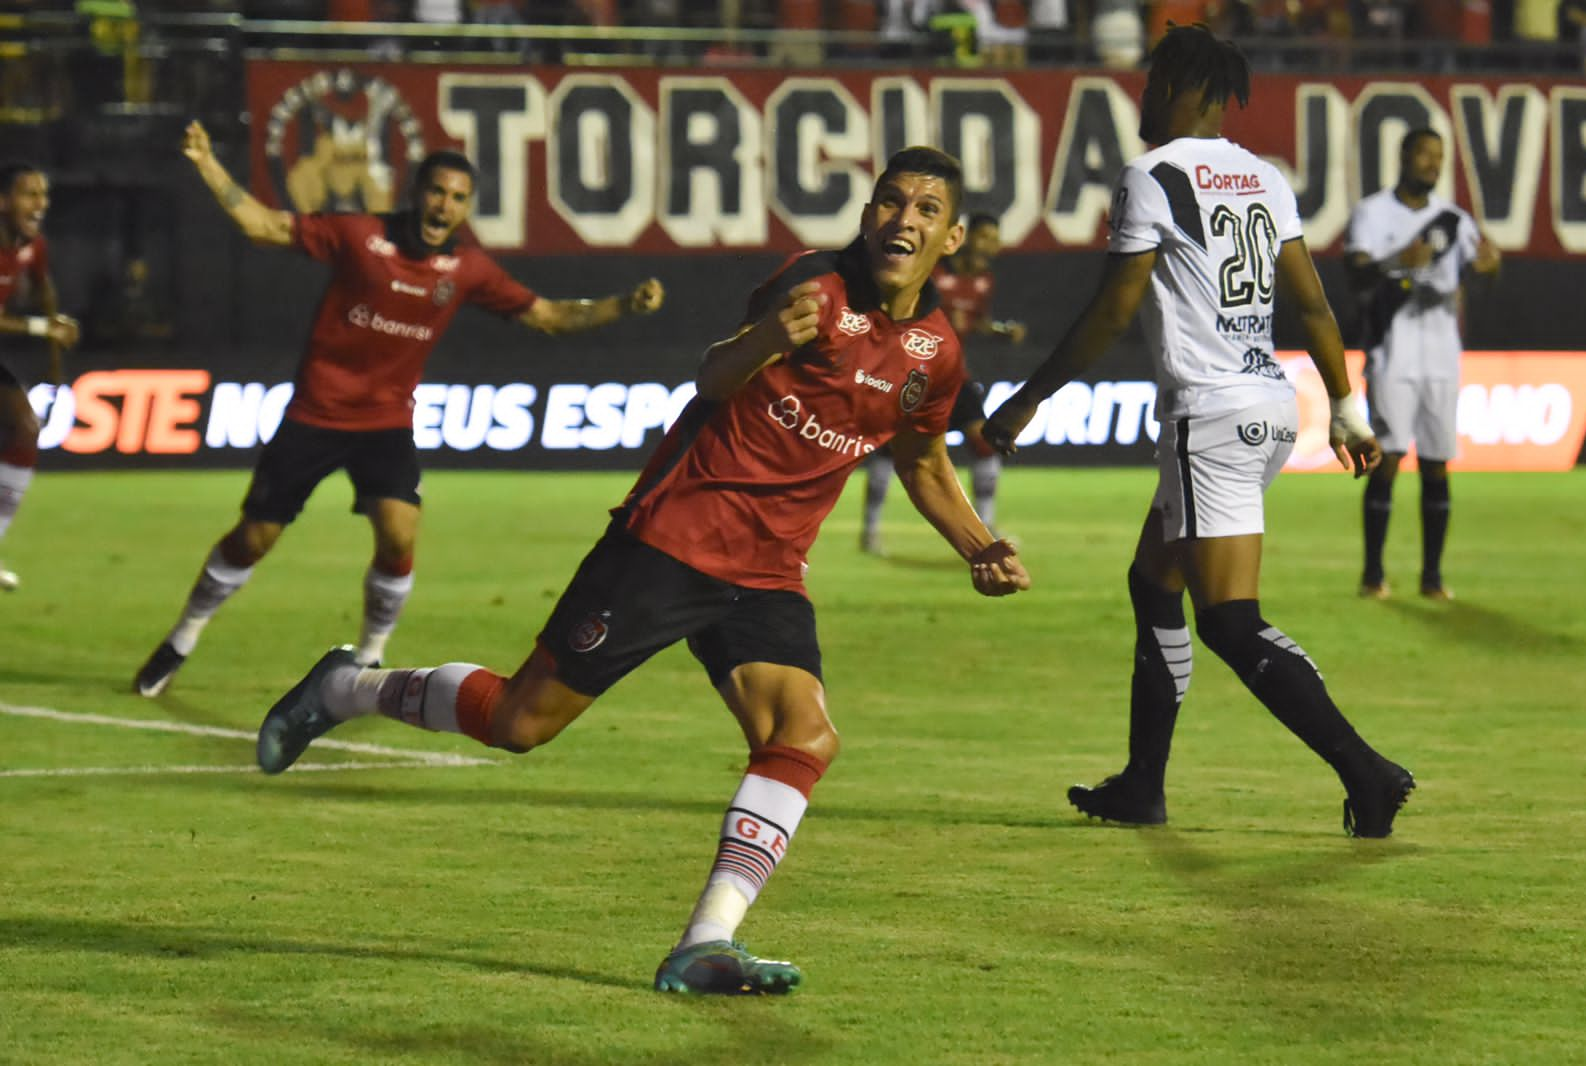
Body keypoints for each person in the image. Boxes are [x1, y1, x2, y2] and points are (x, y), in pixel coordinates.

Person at [253, 146, 1031, 994]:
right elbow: (713, 374)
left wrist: (977, 544)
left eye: (924, 210)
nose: (902, 221)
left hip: (769, 570)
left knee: (803, 736)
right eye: (889, 202)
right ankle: (344, 690)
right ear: (866, 213)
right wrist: (768, 337)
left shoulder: (936, 352)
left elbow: (921, 463)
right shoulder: (814, 286)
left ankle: (706, 942)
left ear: (951, 237)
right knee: (520, 723)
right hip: (673, 542)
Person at [984, 23, 1414, 838]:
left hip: (1209, 415)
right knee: (1155, 582)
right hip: (1269, 405)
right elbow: (1314, 304)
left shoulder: (1151, 175)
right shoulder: (1264, 178)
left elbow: (1114, 308)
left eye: (1152, 82)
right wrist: (1348, 407)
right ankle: (1143, 786)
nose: (1142, 96)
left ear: (1186, 87)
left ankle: (1368, 771)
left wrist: (1029, 397)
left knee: (1229, 620)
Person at [133, 121, 664, 697]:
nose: (445, 205)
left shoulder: (467, 269)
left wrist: (623, 305)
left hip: (384, 423)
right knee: (255, 538)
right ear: (417, 193)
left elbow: (549, 316)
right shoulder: (360, 236)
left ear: (466, 208)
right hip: (315, 414)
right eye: (437, 191)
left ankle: (367, 658)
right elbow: (261, 225)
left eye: (458, 198)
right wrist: (208, 162)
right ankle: (182, 637)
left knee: (399, 532)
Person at [1345, 127, 1500, 602]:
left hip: (1440, 357)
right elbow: (1355, 274)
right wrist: (1398, 260)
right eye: (1425, 154)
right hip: (1393, 352)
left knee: (1436, 463)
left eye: (1439, 156)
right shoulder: (1373, 212)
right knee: (1388, 460)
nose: (1433, 164)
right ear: (1404, 156)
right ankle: (1373, 575)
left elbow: (1479, 274)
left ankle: (1431, 579)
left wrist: (1489, 267)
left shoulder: (1454, 219)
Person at [860, 210, 1025, 553]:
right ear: (963, 238)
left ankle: (985, 522)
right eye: (984, 237)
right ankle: (871, 529)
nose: (990, 246)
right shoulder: (931, 270)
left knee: (985, 441)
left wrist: (1000, 331)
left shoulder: (984, 281)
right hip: (910, 375)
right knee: (890, 451)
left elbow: (974, 321)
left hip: (953, 377)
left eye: (994, 240)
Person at [0, 162, 81, 592]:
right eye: (29, 194)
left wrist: (55, 365)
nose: (40, 203)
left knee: (26, 430)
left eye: (43, 194)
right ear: (3, 201)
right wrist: (41, 328)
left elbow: (44, 288)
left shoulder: (32, 246)